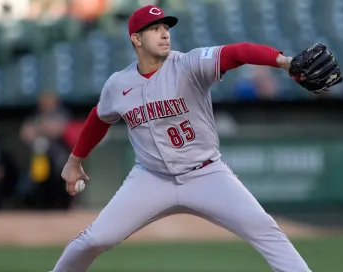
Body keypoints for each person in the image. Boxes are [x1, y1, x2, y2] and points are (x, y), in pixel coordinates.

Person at [52, 5, 312, 272]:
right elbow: (99, 118)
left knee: (263, 227)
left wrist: (284, 61)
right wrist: (75, 160)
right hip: (151, 178)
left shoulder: (189, 64)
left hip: (207, 174)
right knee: (95, 239)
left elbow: (238, 52)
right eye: (155, 29)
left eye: (166, 28)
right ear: (136, 39)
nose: (165, 34)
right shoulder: (118, 84)